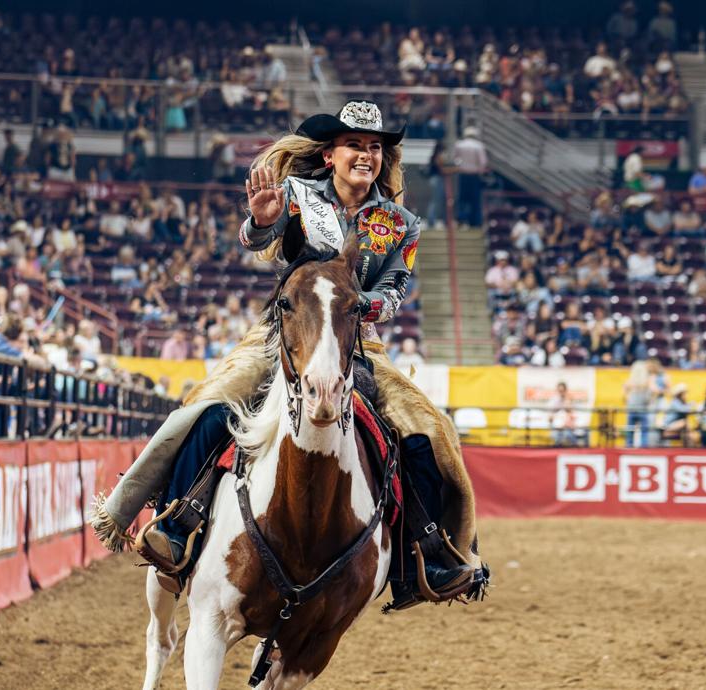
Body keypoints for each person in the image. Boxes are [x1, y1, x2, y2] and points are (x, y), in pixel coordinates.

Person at [95, 100, 480, 606]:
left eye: (374, 147)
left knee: (430, 430)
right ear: (329, 156)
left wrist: (349, 302)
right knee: (209, 404)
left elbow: (393, 292)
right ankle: (173, 520)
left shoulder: (402, 223)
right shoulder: (295, 194)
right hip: (285, 332)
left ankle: (430, 554)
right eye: (354, 145)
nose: (366, 154)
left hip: (360, 342)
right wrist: (260, 223)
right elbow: (259, 239)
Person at [452, 126, 487, 228]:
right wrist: (480, 171)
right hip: (474, 175)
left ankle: (461, 219)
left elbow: (455, 159)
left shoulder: (459, 144)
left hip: (462, 175)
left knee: (462, 198)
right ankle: (474, 221)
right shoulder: (478, 146)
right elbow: (483, 162)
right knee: (475, 200)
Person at [624, 361, 653, 448]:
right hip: (642, 408)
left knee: (630, 431)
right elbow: (649, 396)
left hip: (631, 408)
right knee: (644, 431)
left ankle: (628, 447)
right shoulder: (647, 382)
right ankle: (643, 449)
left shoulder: (629, 382)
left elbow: (625, 396)